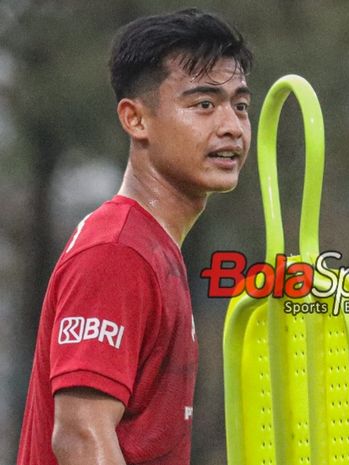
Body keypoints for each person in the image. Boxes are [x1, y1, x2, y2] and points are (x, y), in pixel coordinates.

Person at [17, 8, 253, 464]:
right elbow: (82, 437)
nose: (231, 126)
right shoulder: (117, 252)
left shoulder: (151, 247)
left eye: (239, 105)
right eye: (204, 104)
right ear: (135, 119)